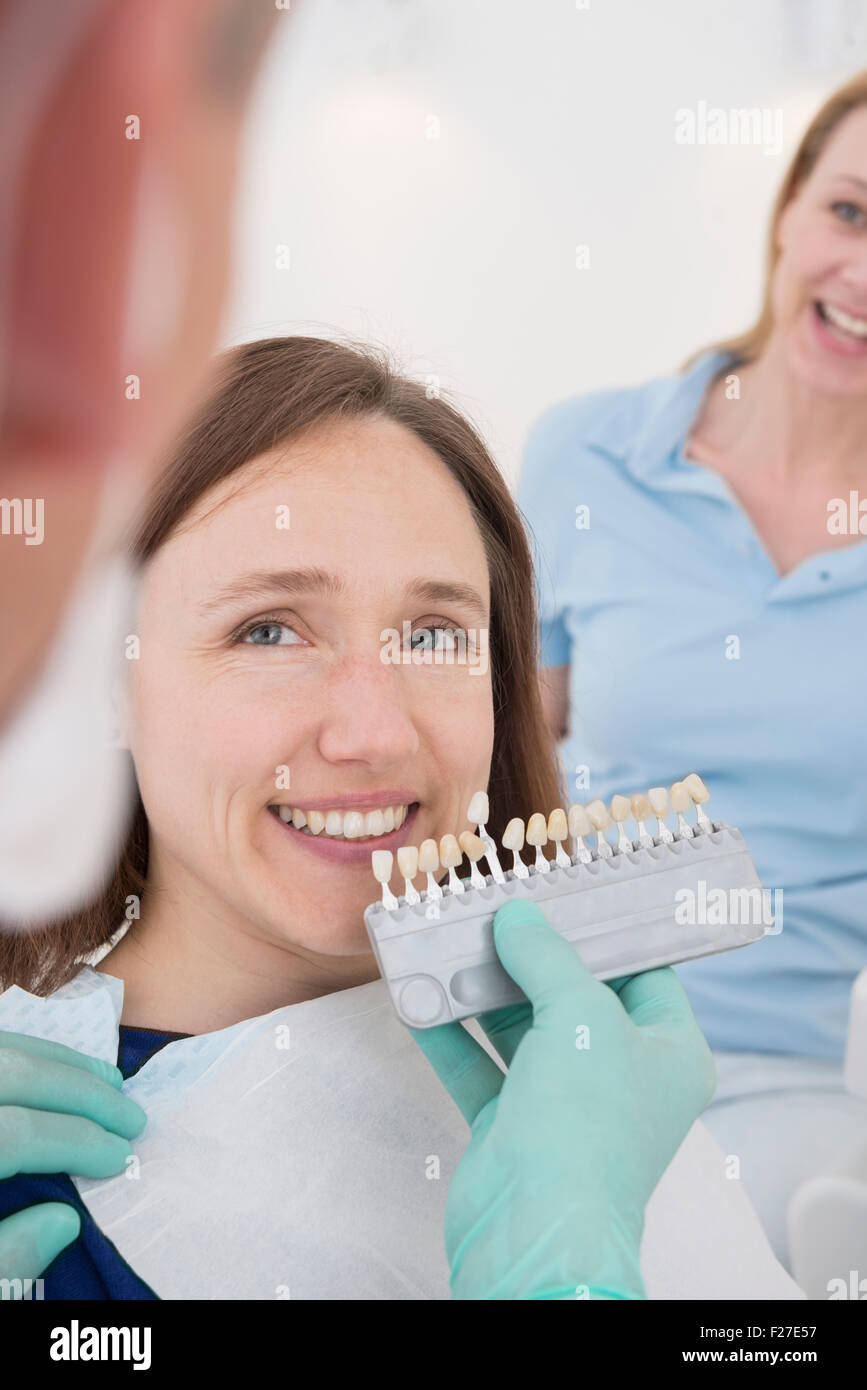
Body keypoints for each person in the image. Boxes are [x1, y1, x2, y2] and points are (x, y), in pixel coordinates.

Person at [0, 337, 801, 1301]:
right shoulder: (33, 1177)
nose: (375, 733)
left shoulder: (590, 1089)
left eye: (433, 633)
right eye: (268, 629)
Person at [518, 71, 867, 1266]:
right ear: (787, 211)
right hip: (584, 1021)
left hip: (814, 1075)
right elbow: (507, 760)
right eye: (851, 214)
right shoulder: (588, 456)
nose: (862, 272)